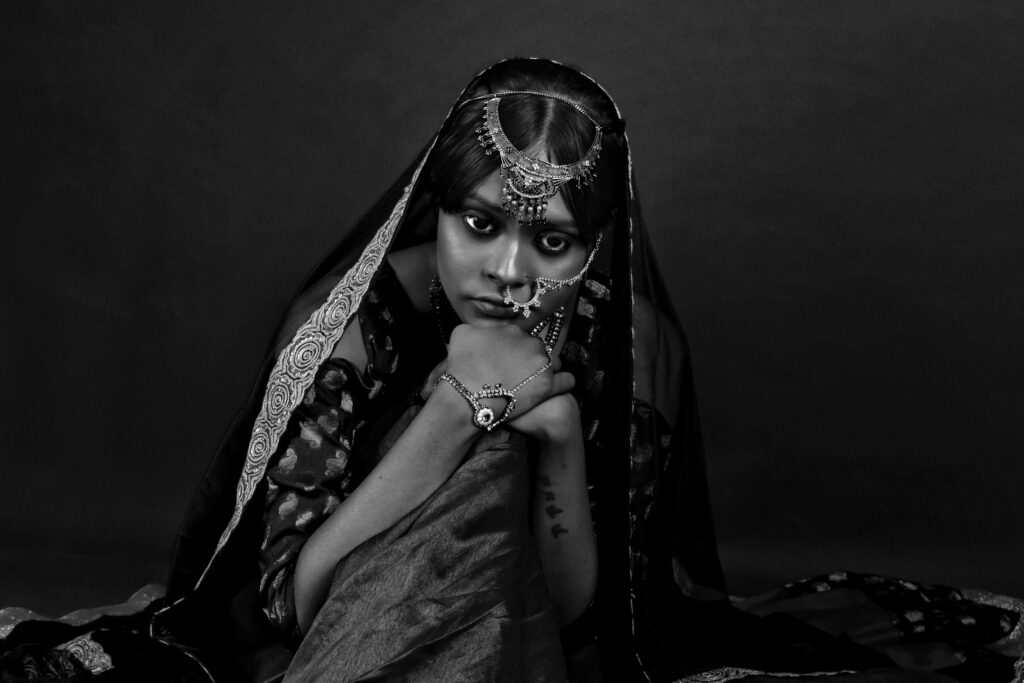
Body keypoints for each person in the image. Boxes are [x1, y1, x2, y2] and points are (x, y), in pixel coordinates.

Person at [1, 58, 1020, 683]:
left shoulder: (636, 346)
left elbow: (588, 617)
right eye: (478, 223)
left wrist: (561, 435)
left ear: (600, 244)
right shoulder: (349, 326)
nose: (504, 269)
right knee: (475, 458)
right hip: (340, 640)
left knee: (513, 456)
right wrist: (456, 408)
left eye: (554, 242)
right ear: (431, 208)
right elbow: (297, 604)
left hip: (531, 640)